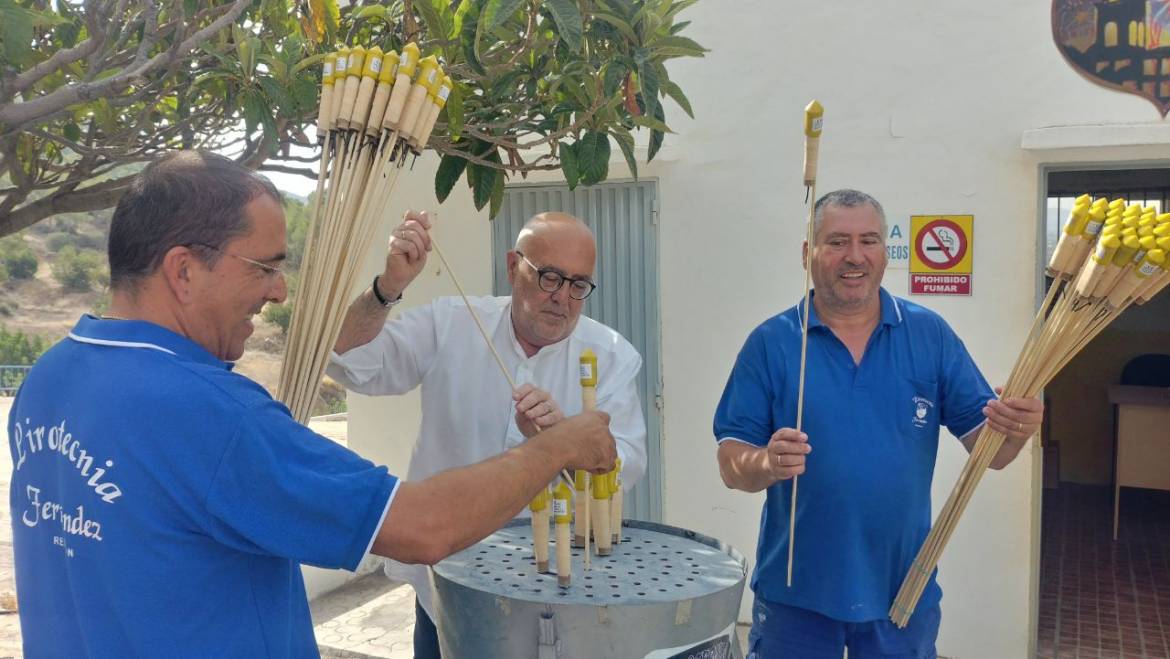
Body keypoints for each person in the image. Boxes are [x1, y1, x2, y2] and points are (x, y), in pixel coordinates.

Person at [7, 150, 617, 658]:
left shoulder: (48, 379)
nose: (278, 291)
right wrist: (558, 444)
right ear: (184, 271)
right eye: (264, 268)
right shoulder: (212, 414)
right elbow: (423, 526)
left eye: (577, 285)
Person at [712, 189, 1043, 659]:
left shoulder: (929, 334)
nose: (855, 256)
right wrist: (765, 461)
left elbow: (994, 455)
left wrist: (1017, 430)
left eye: (869, 241)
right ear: (809, 253)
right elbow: (731, 464)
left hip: (903, 590)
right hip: (795, 594)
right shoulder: (772, 343)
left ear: (884, 253)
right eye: (837, 242)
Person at [327, 210, 647, 657]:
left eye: (579, 285)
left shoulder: (611, 356)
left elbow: (625, 464)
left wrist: (562, 442)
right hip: (446, 585)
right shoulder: (451, 323)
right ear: (514, 265)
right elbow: (347, 363)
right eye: (550, 277)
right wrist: (387, 288)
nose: (563, 298)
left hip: (555, 589)